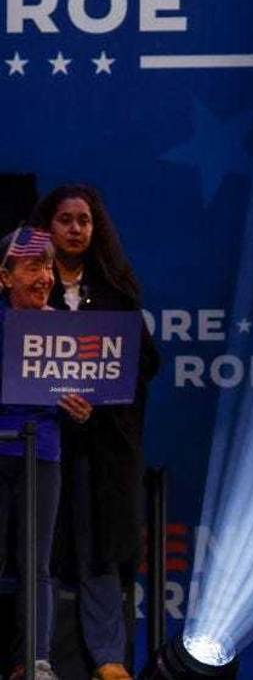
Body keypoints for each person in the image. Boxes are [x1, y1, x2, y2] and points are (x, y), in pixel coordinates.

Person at [29, 186, 159, 680]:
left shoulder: (115, 289)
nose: (77, 229)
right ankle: (33, 656)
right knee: (37, 550)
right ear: (47, 226)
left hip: (100, 446)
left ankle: (109, 658)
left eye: (84, 220)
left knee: (99, 545)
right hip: (37, 438)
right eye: (66, 219)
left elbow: (143, 364)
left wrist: (95, 403)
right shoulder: (23, 287)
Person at [0, 227, 93, 680]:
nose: (46, 276)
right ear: (5, 276)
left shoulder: (66, 332)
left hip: (44, 456)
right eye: (34, 265)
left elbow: (85, 392)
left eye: (50, 266)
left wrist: (80, 408)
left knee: (36, 564)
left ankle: (33, 662)